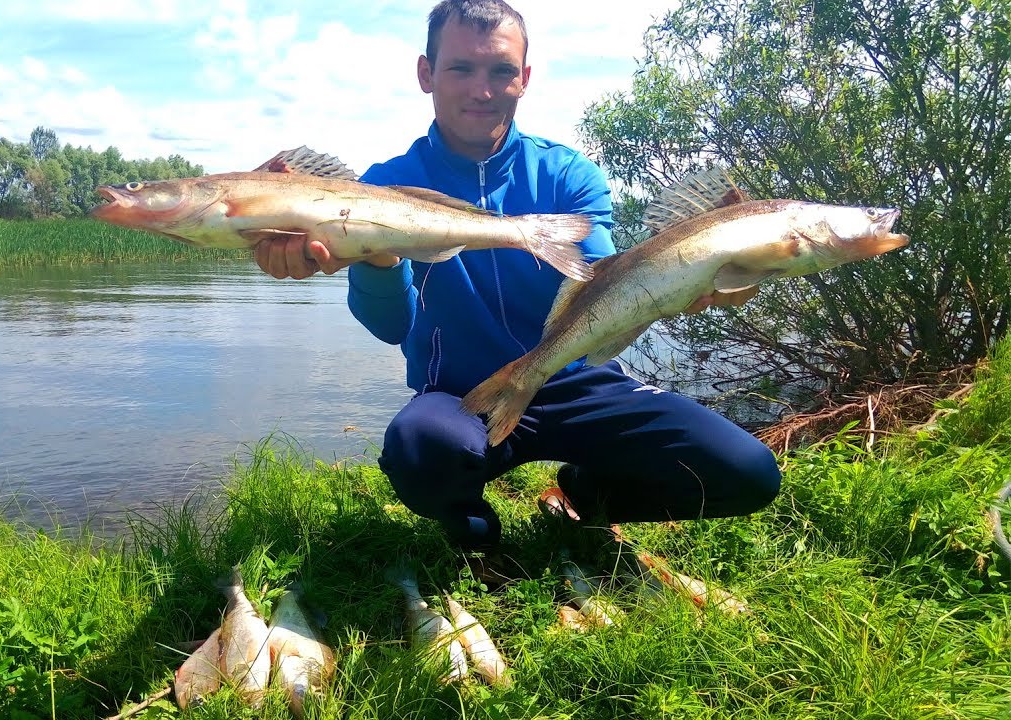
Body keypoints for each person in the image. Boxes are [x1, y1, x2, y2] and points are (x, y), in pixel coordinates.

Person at [255, 0, 780, 556]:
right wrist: (379, 260)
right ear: (425, 74)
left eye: (501, 70)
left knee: (747, 472)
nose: (482, 90)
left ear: (524, 79)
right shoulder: (385, 188)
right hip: (461, 394)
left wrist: (693, 282)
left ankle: (585, 495)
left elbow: (602, 283)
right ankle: (480, 542)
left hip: (578, 381)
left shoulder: (568, 175)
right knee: (420, 448)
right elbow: (390, 327)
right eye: (461, 68)